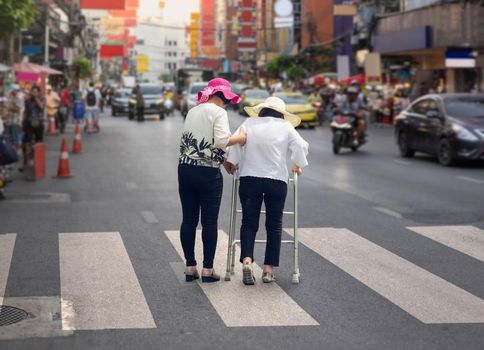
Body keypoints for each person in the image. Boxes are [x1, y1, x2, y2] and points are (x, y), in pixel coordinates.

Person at [225, 97, 308, 285]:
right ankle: (269, 270)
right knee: (274, 224)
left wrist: (232, 162)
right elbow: (301, 146)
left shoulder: (249, 122)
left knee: (248, 222)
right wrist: (297, 165)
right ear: (281, 113)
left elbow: (237, 144)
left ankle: (247, 260)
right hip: (276, 181)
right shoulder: (286, 126)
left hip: (249, 178)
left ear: (262, 110)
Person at [178, 78, 246, 283]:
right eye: (226, 99)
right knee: (209, 221)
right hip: (208, 174)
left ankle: (190, 267)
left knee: (189, 220)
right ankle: (208, 269)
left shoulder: (193, 110)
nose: (226, 103)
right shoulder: (219, 112)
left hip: (185, 170)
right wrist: (242, 138)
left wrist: (224, 160)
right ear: (218, 96)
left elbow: (201, 142)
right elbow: (221, 140)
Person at [21, 85, 45, 170]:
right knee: (26, 142)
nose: (34, 93)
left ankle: (39, 161)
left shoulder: (42, 98)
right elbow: (26, 112)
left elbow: (41, 106)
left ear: (38, 92)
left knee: (39, 142)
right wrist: (22, 122)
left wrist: (36, 98)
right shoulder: (28, 100)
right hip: (29, 123)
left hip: (38, 123)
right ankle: (26, 161)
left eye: (36, 92)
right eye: (33, 91)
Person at [5, 85, 23, 153]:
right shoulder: (12, 98)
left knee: (15, 137)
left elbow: (17, 109)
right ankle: (12, 151)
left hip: (15, 121)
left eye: (13, 90)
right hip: (10, 120)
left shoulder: (18, 98)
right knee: (10, 137)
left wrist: (8, 107)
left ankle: (16, 151)